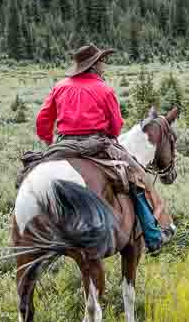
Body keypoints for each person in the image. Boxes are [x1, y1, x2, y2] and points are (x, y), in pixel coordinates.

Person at [34, 44, 171, 252]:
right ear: (94, 65)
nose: (104, 64)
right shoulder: (104, 89)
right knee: (137, 179)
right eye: (102, 61)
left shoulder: (60, 86)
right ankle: (152, 236)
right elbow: (116, 126)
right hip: (98, 143)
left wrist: (48, 142)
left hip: (63, 144)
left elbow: (43, 120)